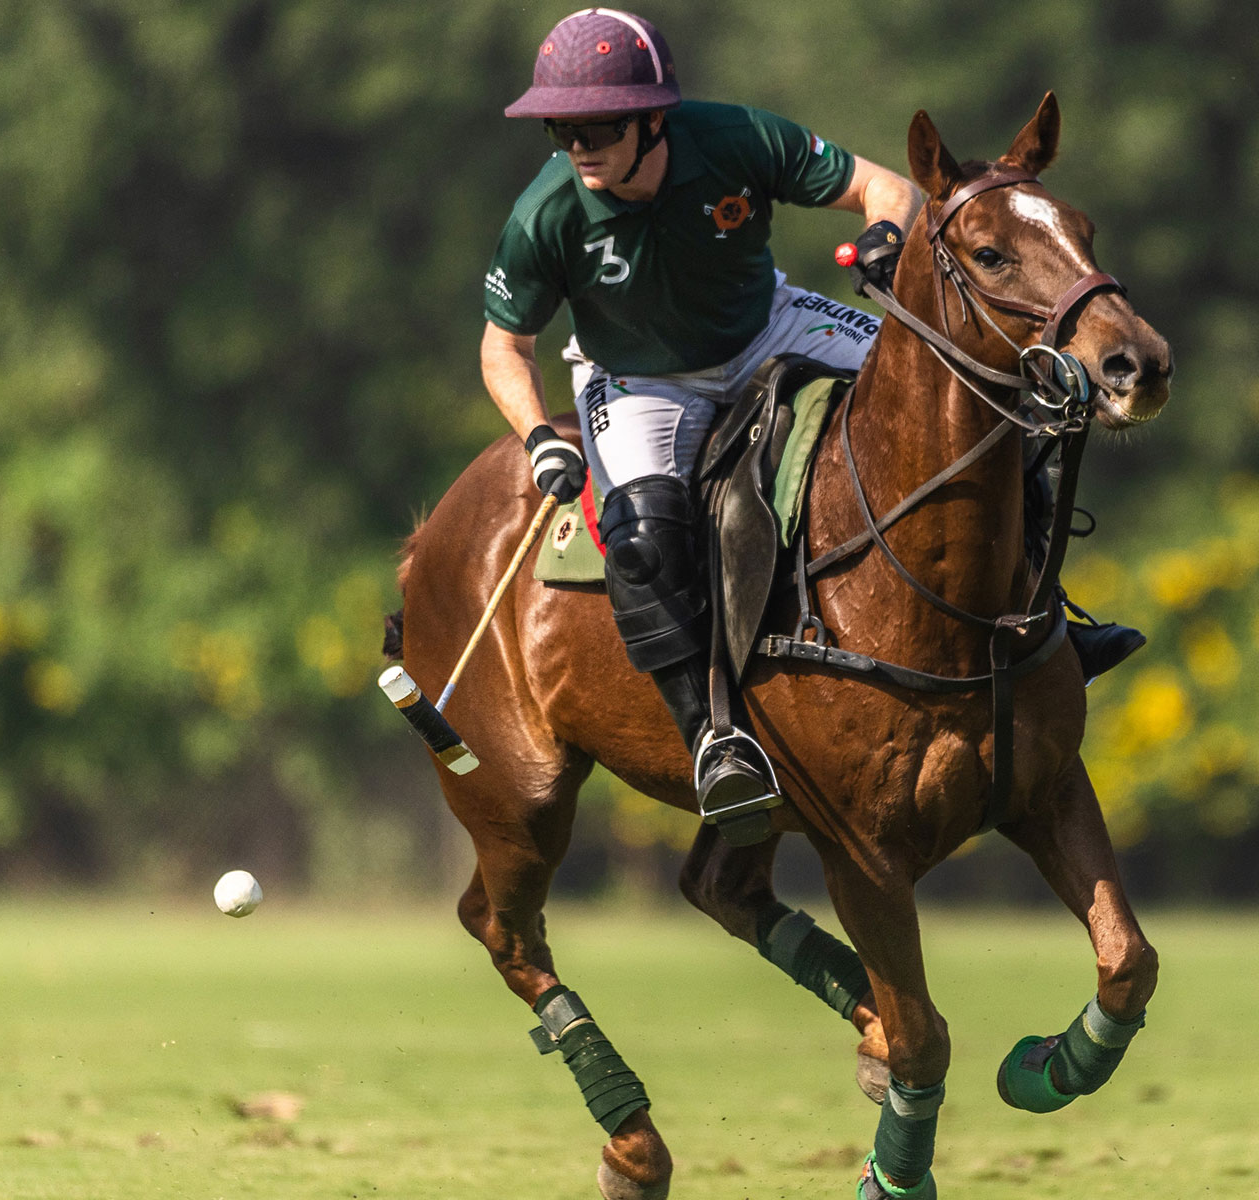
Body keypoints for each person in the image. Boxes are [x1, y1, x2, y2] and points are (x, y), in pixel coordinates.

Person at [482, 8, 1141, 841]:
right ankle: (716, 741)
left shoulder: (735, 141)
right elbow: (505, 343)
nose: (579, 145)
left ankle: (1055, 625)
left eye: (599, 124)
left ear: (654, 116)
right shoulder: (547, 212)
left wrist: (882, 236)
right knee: (644, 539)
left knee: (965, 396)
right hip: (639, 379)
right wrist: (539, 434)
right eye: (560, 127)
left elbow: (884, 187)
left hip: (771, 326)